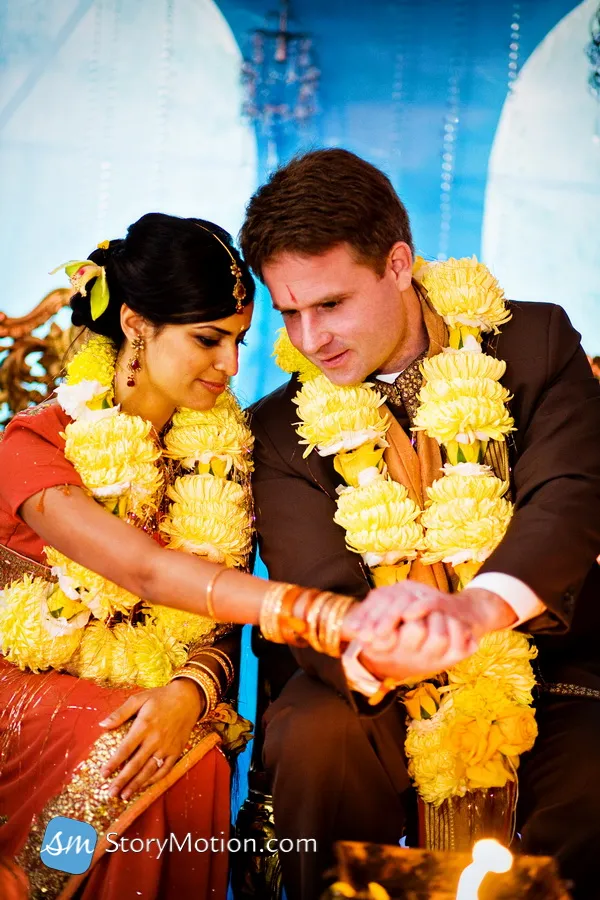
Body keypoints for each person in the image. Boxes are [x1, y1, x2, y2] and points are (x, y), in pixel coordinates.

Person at [0, 212, 450, 900]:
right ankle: (46, 879)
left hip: (146, 689)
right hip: (25, 686)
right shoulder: (36, 446)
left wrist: (188, 692)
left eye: (239, 340)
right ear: (136, 325)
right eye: (209, 339)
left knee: (193, 749)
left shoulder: (219, 452)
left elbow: (212, 631)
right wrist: (315, 612)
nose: (231, 366)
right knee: (123, 752)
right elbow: (143, 572)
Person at [241, 149, 600, 900]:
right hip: (371, 674)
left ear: (398, 264)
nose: (309, 339)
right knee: (315, 739)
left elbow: (569, 495)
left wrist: (473, 610)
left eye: (331, 304)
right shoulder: (279, 429)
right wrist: (386, 647)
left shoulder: (530, 344)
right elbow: (319, 582)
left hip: (548, 657)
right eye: (289, 312)